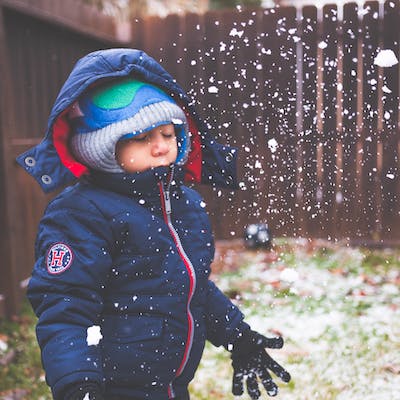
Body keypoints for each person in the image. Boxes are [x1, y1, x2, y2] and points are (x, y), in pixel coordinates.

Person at [17, 48, 291, 400]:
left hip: (170, 386)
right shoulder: (81, 213)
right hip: (112, 388)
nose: (161, 146)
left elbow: (192, 289)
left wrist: (238, 336)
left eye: (167, 133)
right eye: (142, 137)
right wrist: (78, 383)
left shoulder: (184, 204)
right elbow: (66, 308)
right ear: (104, 147)